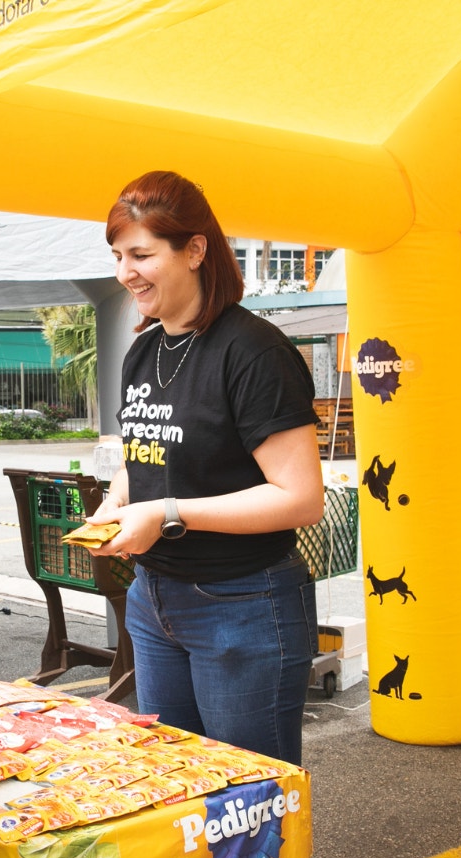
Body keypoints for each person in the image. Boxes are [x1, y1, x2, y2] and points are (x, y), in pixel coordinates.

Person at [85, 170, 324, 765]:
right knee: (177, 788)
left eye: (141, 254)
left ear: (195, 250)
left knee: (249, 801)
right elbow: (145, 456)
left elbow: (300, 498)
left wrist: (166, 513)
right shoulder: (142, 350)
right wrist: (118, 503)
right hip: (153, 597)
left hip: (243, 603)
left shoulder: (254, 351)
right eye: (118, 256)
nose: (125, 273)